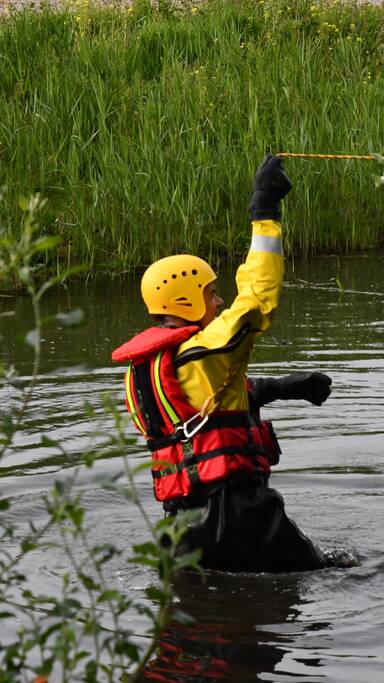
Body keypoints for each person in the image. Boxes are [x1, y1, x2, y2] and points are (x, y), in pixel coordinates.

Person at [111, 155, 331, 573]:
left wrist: (286, 387)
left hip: (182, 525)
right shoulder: (207, 345)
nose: (218, 300)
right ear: (186, 299)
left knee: (195, 618)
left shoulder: (151, 364)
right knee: (326, 579)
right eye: (211, 292)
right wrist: (264, 211)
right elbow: (258, 297)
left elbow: (211, 404)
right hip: (237, 513)